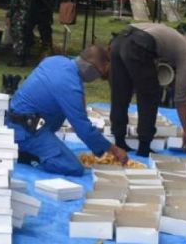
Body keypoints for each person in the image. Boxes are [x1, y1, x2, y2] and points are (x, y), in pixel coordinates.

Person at [8, 46, 128, 176]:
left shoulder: (56, 60)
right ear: (91, 68)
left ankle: (32, 148)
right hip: (26, 131)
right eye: (99, 73)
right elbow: (83, 128)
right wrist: (113, 150)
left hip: (15, 118)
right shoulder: (70, 86)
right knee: (73, 167)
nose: (97, 77)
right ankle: (31, 154)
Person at [109, 23, 186, 156]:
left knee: (120, 92)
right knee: (150, 96)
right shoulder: (184, 51)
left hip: (119, 40)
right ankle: (144, 147)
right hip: (138, 46)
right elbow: (181, 98)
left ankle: (119, 141)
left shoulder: (170, 33)